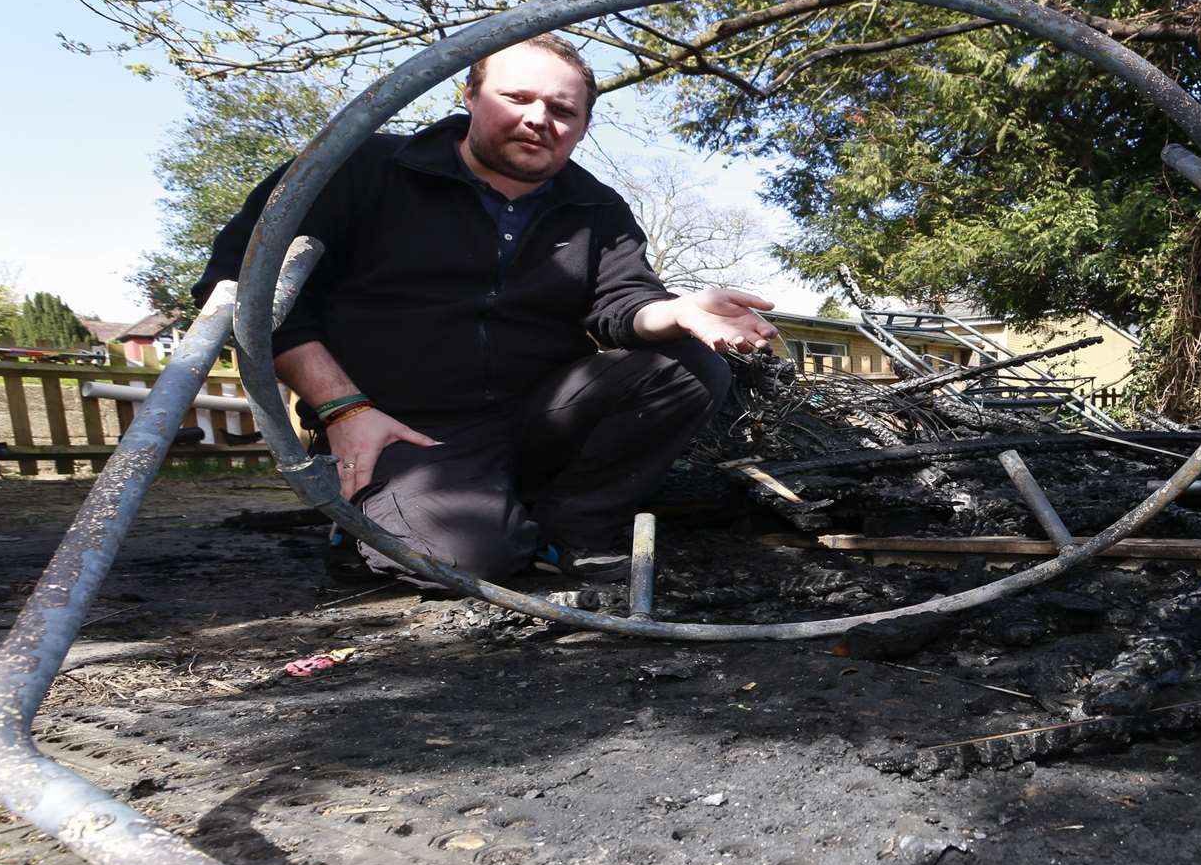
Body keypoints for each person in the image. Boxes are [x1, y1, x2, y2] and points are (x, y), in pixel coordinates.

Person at [195, 34, 778, 583]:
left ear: (582, 126)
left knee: (691, 367)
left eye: (562, 110)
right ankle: (395, 520)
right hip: (398, 428)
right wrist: (343, 409)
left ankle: (572, 528)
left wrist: (679, 312)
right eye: (517, 97)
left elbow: (621, 303)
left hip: (540, 416)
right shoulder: (359, 170)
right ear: (470, 95)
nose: (538, 119)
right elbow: (242, 287)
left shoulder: (595, 207)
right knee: (466, 559)